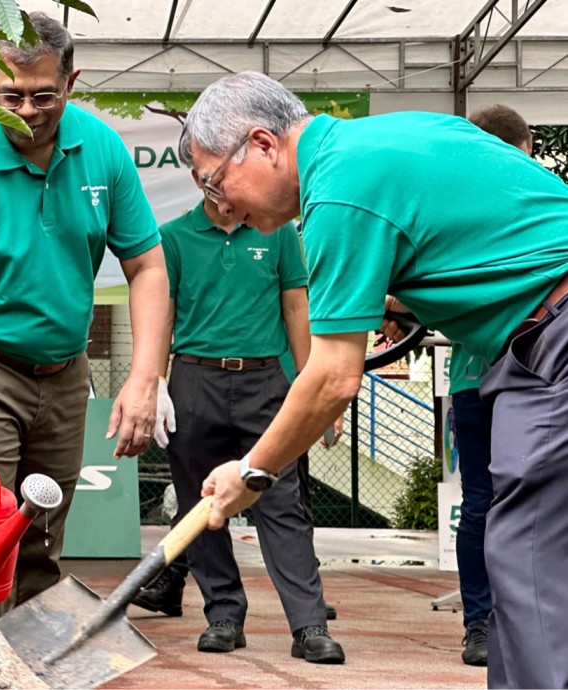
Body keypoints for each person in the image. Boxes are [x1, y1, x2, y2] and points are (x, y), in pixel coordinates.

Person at [182, 71, 568, 689]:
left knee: (526, 561)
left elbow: (333, 378)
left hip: (556, 338)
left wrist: (250, 473)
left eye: (213, 179)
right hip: (540, 333)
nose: (220, 202)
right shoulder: (394, 132)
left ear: (262, 144)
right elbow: (495, 238)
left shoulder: (336, 194)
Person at [0, 12, 169, 644]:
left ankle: (27, 672)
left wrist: (144, 377)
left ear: (72, 81)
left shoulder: (101, 148)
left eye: (44, 95)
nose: (27, 110)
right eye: (9, 96)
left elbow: (148, 266)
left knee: (42, 541)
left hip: (65, 373)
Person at [141, 168, 344, 662]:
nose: (229, 200)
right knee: (201, 503)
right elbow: (161, 314)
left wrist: (310, 386)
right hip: (194, 379)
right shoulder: (171, 237)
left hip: (267, 382)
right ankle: (224, 616)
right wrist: (155, 384)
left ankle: (309, 625)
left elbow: (297, 308)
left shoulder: (278, 234)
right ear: (200, 181)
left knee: (283, 503)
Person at [445, 104, 534, 669]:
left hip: (510, 380)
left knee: (487, 504)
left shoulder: (455, 205)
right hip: (497, 382)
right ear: (517, 148)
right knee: (492, 504)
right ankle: (483, 621)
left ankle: (490, 622)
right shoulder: (535, 199)